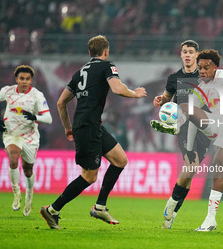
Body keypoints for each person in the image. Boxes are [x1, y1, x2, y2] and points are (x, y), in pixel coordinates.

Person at [40, 35, 147, 229]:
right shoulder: (107, 66)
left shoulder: (79, 72)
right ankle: (52, 210)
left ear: (90, 53)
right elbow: (116, 88)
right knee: (89, 176)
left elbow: (61, 102)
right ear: (105, 52)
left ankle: (100, 207)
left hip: (91, 126)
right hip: (88, 128)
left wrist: (67, 127)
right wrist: (134, 93)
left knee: (120, 160)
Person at [151, 49, 223, 231]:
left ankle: (210, 219)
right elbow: (192, 119)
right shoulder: (200, 89)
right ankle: (175, 126)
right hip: (216, 125)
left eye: (207, 68)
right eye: (201, 68)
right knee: (185, 106)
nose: (202, 71)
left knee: (217, 167)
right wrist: (189, 148)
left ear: (216, 68)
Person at [153, 40, 211, 229]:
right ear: (181, 55)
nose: (187, 54)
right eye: (184, 51)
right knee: (192, 165)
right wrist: (160, 101)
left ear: (197, 55)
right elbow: (166, 101)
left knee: (190, 173)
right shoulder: (173, 78)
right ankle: (171, 203)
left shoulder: (205, 76)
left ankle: (172, 214)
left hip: (203, 127)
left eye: (191, 52)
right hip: (184, 126)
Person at [0, 65, 52, 216]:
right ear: (16, 79)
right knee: (13, 159)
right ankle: (17, 194)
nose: (24, 82)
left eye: (27, 79)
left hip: (30, 137)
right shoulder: (8, 91)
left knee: (27, 170)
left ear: (31, 80)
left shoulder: (37, 95)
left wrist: (35, 117)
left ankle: (29, 197)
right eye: (21, 78)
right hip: (12, 134)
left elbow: (49, 118)